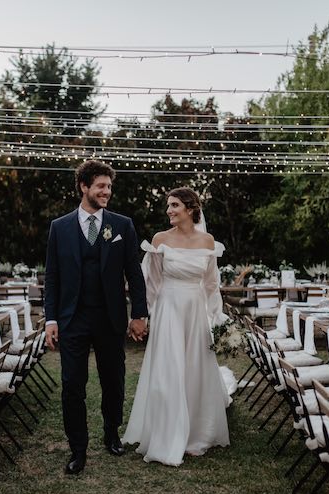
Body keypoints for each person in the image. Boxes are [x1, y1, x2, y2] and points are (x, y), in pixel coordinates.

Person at [44, 160, 148, 475]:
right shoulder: (59, 227)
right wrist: (51, 319)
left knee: (113, 380)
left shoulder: (122, 225)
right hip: (72, 318)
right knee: (72, 384)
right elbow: (52, 277)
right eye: (101, 186)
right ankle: (78, 448)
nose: (107, 192)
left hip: (110, 317)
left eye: (109, 187)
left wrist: (139, 313)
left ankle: (111, 432)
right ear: (84, 187)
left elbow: (135, 272)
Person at [122, 187, 235, 466]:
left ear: (190, 208)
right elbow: (151, 282)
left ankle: (196, 433)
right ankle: (167, 431)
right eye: (168, 206)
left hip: (195, 310)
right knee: (169, 369)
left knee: (195, 368)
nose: (169, 210)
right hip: (169, 309)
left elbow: (211, 283)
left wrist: (217, 317)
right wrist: (142, 316)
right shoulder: (160, 240)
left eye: (174, 205)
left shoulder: (208, 241)